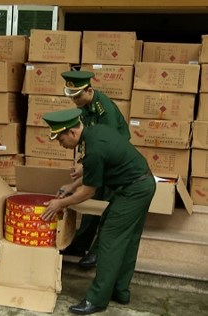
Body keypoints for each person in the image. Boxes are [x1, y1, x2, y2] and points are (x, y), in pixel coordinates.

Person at [41, 108, 155, 315]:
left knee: (109, 240)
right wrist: (71, 185)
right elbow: (96, 169)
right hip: (140, 183)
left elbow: (89, 191)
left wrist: (61, 203)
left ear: (73, 133)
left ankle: (97, 299)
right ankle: (120, 291)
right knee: (128, 240)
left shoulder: (93, 148)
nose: (60, 144)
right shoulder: (95, 132)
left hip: (133, 190)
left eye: (60, 139)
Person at [60, 70, 131, 269]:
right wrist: (83, 161)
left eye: (77, 95)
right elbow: (87, 138)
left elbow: (107, 144)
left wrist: (86, 166)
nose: (74, 100)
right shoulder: (85, 107)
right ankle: (80, 245)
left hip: (114, 163)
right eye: (71, 96)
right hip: (98, 158)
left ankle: (97, 252)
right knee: (90, 201)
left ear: (89, 90)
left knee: (107, 208)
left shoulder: (103, 109)